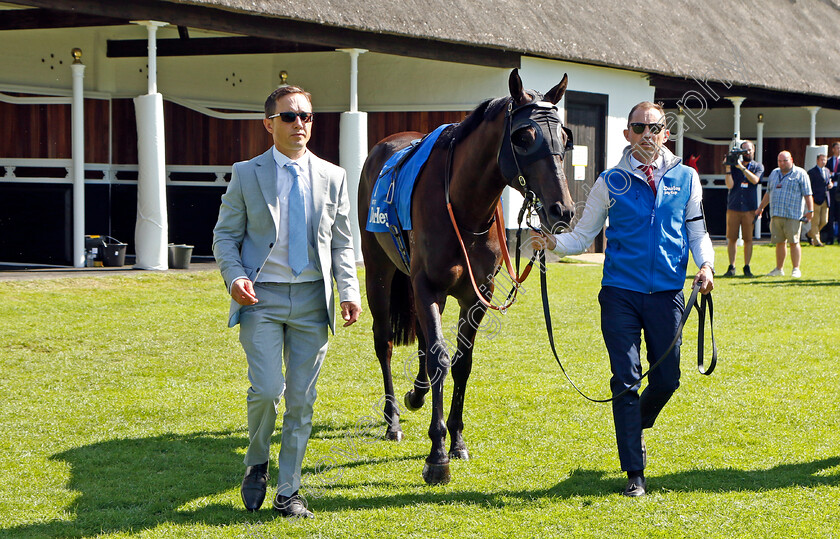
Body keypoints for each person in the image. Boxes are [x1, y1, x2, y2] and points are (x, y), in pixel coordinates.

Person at [529, 101, 714, 497]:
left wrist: (706, 267)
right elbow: (582, 237)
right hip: (620, 296)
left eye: (655, 127)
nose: (647, 134)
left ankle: (635, 426)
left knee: (667, 379)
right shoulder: (609, 181)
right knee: (626, 380)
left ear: (666, 133)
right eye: (639, 127)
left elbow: (697, 232)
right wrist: (553, 242)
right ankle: (635, 472)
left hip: (668, 294)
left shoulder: (686, 177)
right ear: (626, 134)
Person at [213, 85, 362, 518]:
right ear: (269, 123)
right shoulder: (246, 173)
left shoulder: (334, 176)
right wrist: (235, 277)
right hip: (261, 297)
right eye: (290, 117)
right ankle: (256, 461)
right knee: (266, 391)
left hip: (315, 300)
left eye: (307, 117)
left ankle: (289, 492)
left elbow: (342, 244)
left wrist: (349, 291)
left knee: (301, 400)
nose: (300, 124)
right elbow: (225, 236)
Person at [755, 151, 813, 278]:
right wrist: (760, 208)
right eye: (779, 161)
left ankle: (796, 269)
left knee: (794, 242)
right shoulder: (774, 173)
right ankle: (779, 269)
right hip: (776, 214)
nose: (782, 163)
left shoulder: (800, 173)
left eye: (785, 160)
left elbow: (808, 194)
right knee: (779, 242)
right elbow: (768, 193)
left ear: (791, 159)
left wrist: (810, 210)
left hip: (793, 214)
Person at [722, 140, 764, 276]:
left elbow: (755, 180)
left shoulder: (758, 166)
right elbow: (729, 185)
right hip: (733, 207)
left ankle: (747, 266)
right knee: (732, 238)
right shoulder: (734, 167)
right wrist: (728, 168)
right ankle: (731, 266)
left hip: (749, 208)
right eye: (744, 150)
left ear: (754, 150)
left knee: (748, 239)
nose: (747, 152)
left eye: (749, 150)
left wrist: (742, 168)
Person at [807, 152, 833, 246]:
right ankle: (817, 241)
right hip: (815, 200)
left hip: (826, 199)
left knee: (824, 221)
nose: (823, 161)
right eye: (822, 159)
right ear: (817, 160)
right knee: (815, 222)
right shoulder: (811, 172)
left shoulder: (827, 171)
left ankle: (810, 234)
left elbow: (828, 181)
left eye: (825, 160)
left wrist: (831, 184)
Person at [827, 142, 840, 243]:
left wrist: (834, 174)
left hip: (839, 190)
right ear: (833, 149)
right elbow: (827, 174)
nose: (839, 150)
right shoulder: (829, 161)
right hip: (831, 190)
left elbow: (835, 175)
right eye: (837, 148)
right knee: (830, 215)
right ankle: (830, 238)